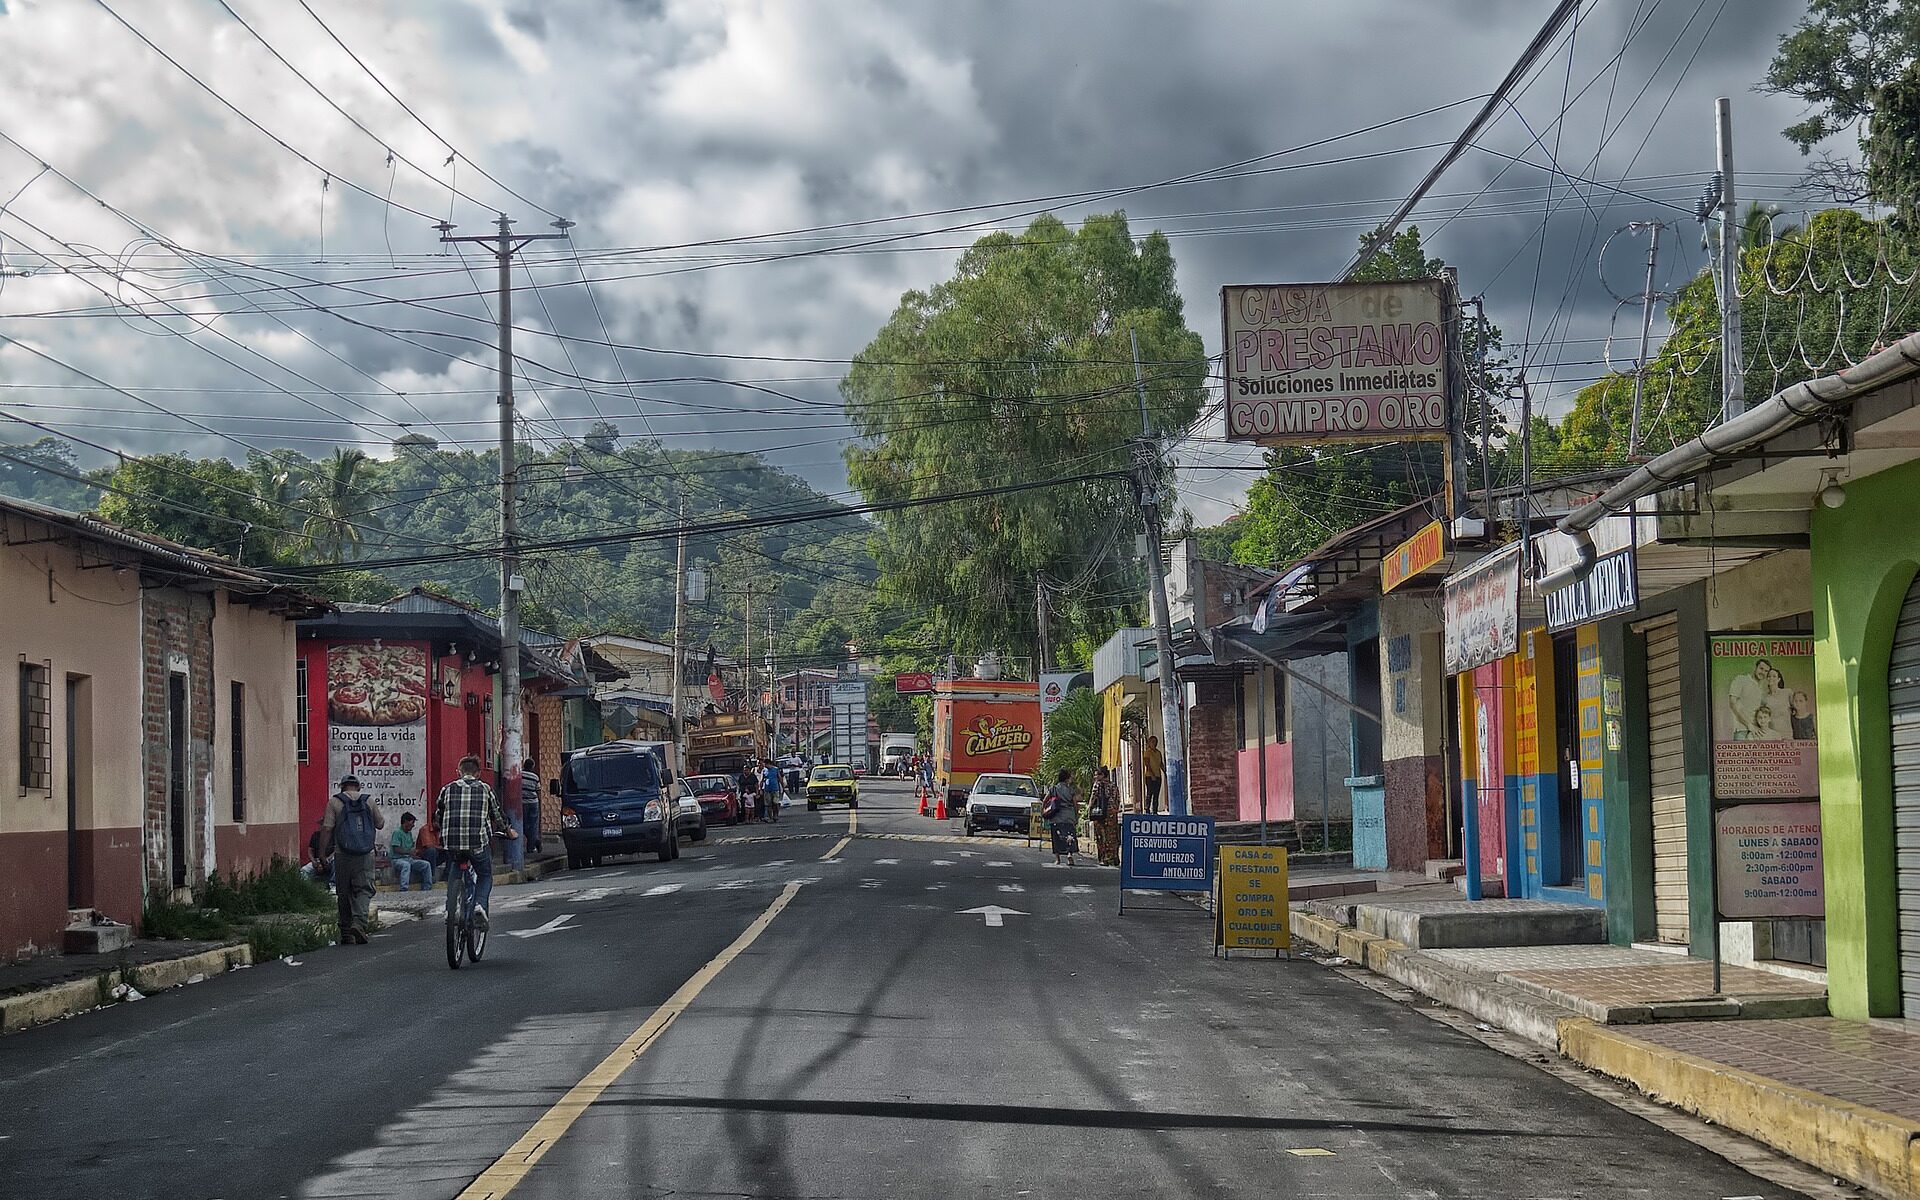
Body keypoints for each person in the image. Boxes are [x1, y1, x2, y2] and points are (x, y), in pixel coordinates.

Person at [436, 754, 517, 931]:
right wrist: (508, 832)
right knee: (485, 875)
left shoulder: (447, 789)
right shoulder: (485, 789)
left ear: (459, 772)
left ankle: (452, 908)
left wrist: (443, 833)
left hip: (453, 843)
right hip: (477, 844)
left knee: (455, 871)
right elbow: (498, 816)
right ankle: (480, 905)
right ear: (478, 773)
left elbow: (439, 815)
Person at [319, 774, 384, 944]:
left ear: (342, 787)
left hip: (342, 854)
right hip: (365, 854)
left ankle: (346, 932)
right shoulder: (368, 800)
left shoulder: (334, 802)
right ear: (358, 787)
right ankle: (359, 923)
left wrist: (322, 853)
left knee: (344, 891)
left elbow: (327, 829)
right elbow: (380, 824)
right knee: (364, 889)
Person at [388, 812, 433, 892]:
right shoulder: (397, 833)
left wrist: (416, 853)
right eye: (412, 823)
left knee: (426, 864)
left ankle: (427, 887)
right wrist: (409, 852)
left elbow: (411, 850)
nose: (413, 825)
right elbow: (396, 849)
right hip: (397, 859)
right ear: (405, 822)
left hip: (409, 858)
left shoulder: (409, 834)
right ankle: (404, 889)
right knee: (406, 865)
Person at [1043, 769, 1079, 866]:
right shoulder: (1071, 790)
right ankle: (1069, 854)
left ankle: (1057, 859)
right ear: (1067, 779)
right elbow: (1075, 804)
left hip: (1056, 816)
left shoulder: (1053, 789)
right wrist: (1076, 815)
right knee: (1070, 835)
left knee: (1056, 837)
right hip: (1069, 816)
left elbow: (1045, 800)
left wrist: (1045, 810)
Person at [1728, 659, 1773, 737]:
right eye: (1761, 668)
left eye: (1766, 671)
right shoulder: (1741, 679)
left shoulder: (1761, 689)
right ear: (1755, 667)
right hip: (1741, 730)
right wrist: (1749, 725)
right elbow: (1732, 704)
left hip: (1757, 731)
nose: (1763, 672)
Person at [1087, 765, 1120, 867]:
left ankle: (1104, 858)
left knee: (1101, 836)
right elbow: (1117, 799)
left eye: (1097, 774)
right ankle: (1113, 857)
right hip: (1112, 813)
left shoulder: (1098, 784)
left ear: (1102, 775)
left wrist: (1089, 809)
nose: (1095, 777)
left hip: (1101, 813)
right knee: (1112, 836)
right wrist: (1114, 809)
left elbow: (1093, 798)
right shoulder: (1113, 785)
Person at [520, 758, 542, 855]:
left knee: (523, 825)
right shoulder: (535, 777)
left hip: (523, 803)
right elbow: (538, 790)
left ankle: (534, 841)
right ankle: (532, 844)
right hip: (534, 802)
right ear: (532, 767)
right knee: (533, 825)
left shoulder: (520, 775)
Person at [1142, 736, 1165, 814]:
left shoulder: (1158, 752)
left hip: (1158, 775)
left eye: (1155, 741)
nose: (1154, 743)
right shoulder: (1147, 752)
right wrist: (1152, 775)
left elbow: (1161, 763)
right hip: (1149, 776)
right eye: (1152, 741)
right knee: (1150, 793)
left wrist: (1165, 772)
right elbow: (1147, 764)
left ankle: (1155, 810)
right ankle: (1147, 809)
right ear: (1149, 743)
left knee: (1156, 794)